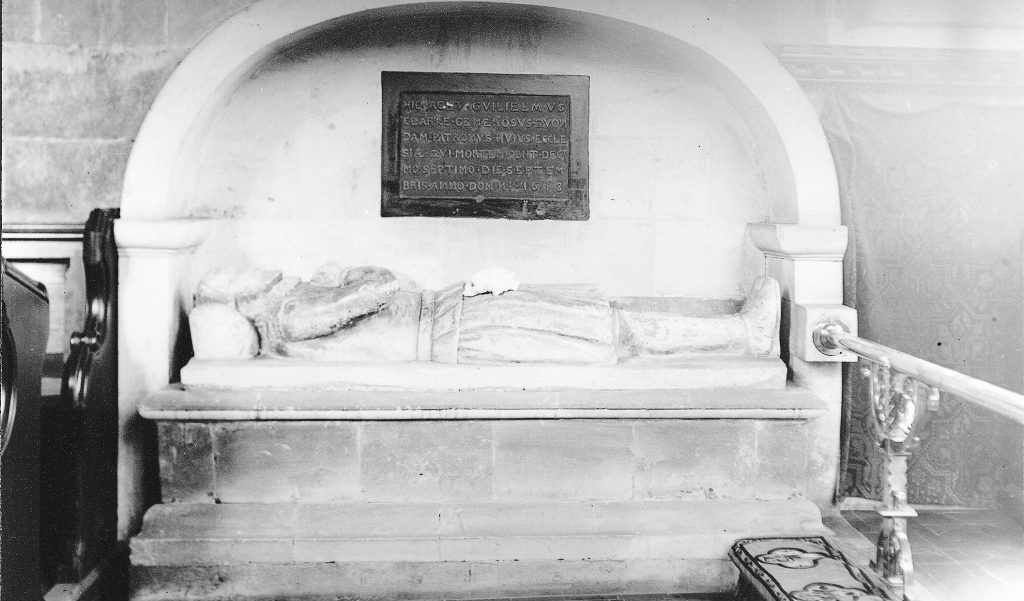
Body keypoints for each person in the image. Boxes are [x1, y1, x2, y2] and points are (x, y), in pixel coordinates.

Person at [188, 265, 780, 364]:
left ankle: (737, 334)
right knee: (606, 328)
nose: (255, 270)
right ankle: (741, 335)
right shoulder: (290, 313)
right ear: (244, 299)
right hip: (458, 331)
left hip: (455, 319)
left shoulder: (290, 314)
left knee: (603, 320)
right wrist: (338, 275)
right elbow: (380, 286)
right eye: (239, 277)